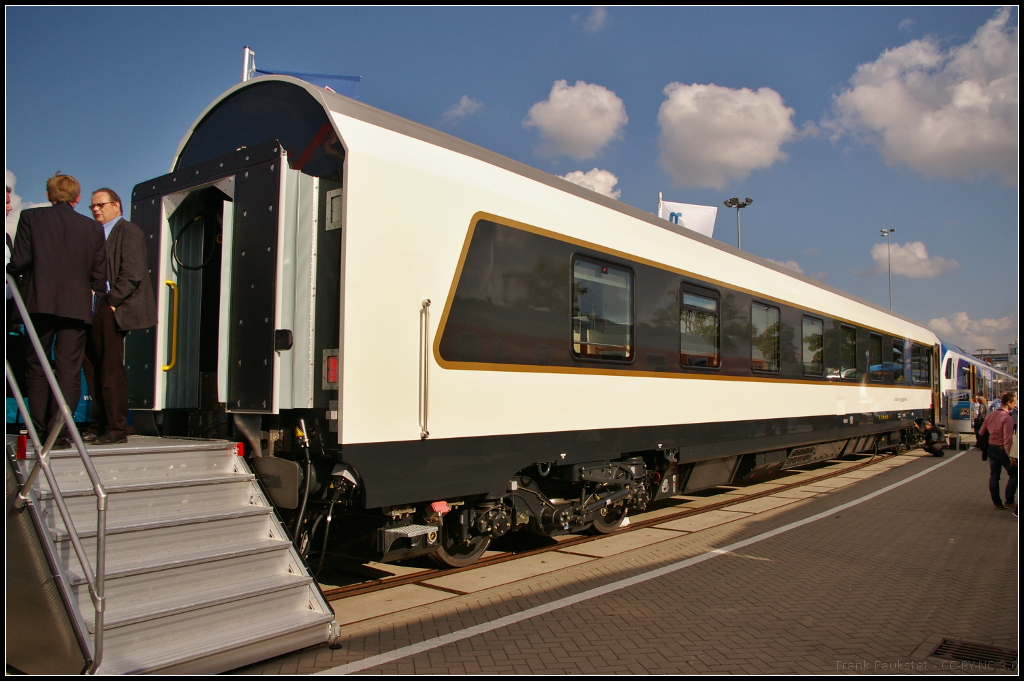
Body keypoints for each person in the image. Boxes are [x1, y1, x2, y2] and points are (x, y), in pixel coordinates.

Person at [6, 173, 106, 447]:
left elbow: (20, 261)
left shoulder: (31, 218)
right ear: (77, 197)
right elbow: (99, 276)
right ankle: (60, 431)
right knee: (69, 370)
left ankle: (38, 431)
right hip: (76, 308)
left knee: (37, 366)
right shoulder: (93, 228)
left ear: (50, 196)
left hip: (39, 303)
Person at [81, 188, 157, 445]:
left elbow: (133, 272)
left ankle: (116, 428)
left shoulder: (128, 231)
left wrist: (111, 303)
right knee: (91, 367)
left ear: (116, 206)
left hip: (110, 307)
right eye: (92, 206)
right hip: (88, 308)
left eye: (100, 205)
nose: (95, 209)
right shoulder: (92, 233)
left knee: (111, 369)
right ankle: (97, 424)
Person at [979, 392, 1017, 511]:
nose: (1015, 406)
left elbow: (981, 432)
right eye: (1014, 403)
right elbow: (1007, 438)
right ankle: (1009, 501)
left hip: (991, 448)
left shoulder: (990, 415)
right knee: (1015, 474)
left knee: (994, 475)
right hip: (1002, 449)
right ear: (1008, 403)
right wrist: (1010, 455)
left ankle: (997, 503)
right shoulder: (1007, 418)